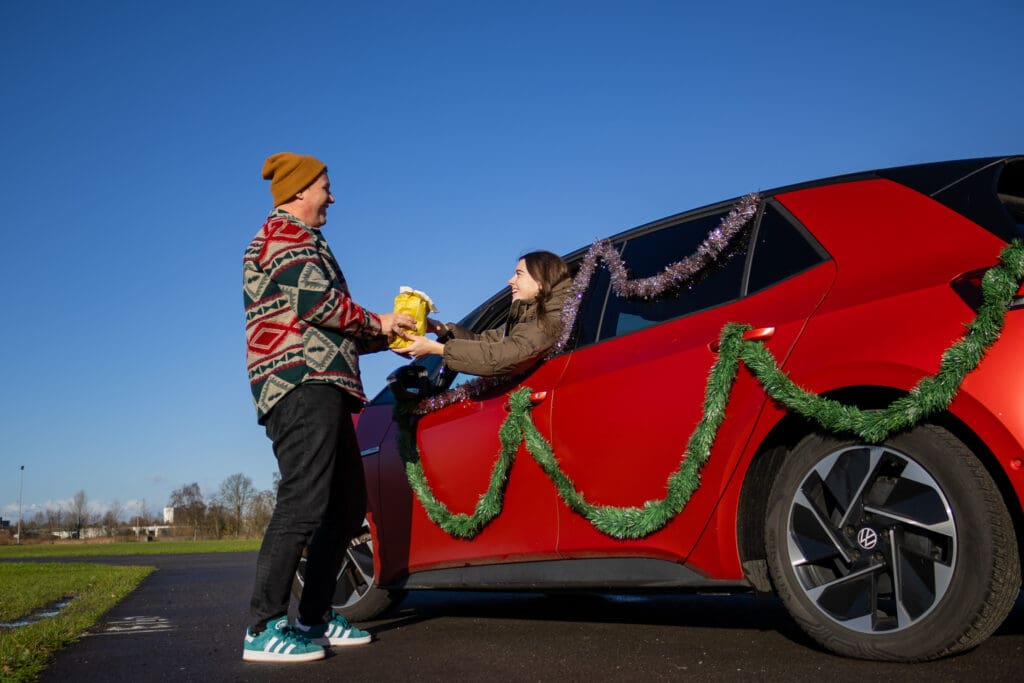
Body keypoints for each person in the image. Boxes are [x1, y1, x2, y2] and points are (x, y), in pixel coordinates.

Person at [242, 152, 414, 663]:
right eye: (325, 187)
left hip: (327, 382)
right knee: (304, 500)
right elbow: (318, 306)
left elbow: (332, 327)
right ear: (298, 191)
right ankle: (261, 627)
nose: (331, 197)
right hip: (299, 384)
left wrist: (392, 334)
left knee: (343, 505)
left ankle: (314, 617)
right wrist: (380, 320)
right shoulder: (282, 235)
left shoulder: (307, 240)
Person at [396, 251, 571, 376]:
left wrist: (436, 348)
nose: (510, 281)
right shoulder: (529, 319)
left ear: (540, 281)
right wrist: (439, 329)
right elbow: (487, 343)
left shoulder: (551, 319)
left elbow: (501, 356)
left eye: (519, 274)